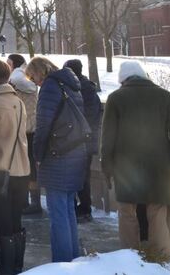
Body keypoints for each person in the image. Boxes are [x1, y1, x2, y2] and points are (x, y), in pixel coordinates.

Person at [100, 60, 170, 259]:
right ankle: (161, 257)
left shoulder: (116, 98)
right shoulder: (166, 97)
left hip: (125, 167)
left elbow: (107, 137)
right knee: (158, 213)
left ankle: (129, 256)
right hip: (158, 166)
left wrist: (106, 166)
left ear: (122, 79)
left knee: (127, 213)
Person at [26, 56, 87, 263]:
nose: (34, 82)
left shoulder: (50, 88)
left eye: (33, 77)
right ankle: (73, 259)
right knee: (68, 209)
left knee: (58, 214)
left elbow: (43, 126)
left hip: (57, 155)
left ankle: (61, 264)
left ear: (39, 71)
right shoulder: (71, 84)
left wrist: (38, 155)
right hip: (75, 151)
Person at [0, 60, 30, 274]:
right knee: (15, 223)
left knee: (1, 227)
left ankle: (6, 270)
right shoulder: (18, 101)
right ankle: (17, 268)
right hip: (21, 170)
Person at [62, 59, 103, 223]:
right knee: (83, 176)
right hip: (88, 140)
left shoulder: (75, 89)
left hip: (78, 141)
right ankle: (84, 208)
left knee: (77, 176)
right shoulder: (89, 88)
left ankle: (82, 208)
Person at [7, 54, 40, 217]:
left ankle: (30, 202)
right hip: (30, 126)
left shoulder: (18, 78)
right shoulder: (28, 80)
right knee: (30, 166)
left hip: (24, 128)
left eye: (9, 64)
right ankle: (31, 201)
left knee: (26, 166)